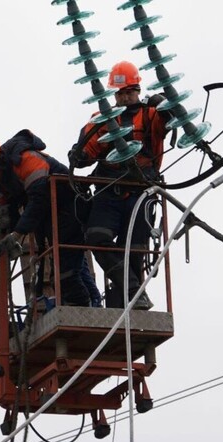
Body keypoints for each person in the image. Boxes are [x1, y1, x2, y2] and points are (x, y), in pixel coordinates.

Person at [70, 60, 171, 310]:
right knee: (96, 237)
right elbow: (85, 153)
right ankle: (132, 290)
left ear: (137, 90)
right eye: (121, 93)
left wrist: (165, 104)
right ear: (114, 95)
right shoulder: (101, 120)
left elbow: (170, 119)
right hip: (109, 191)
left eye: (130, 92)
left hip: (141, 191)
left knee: (136, 249)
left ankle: (131, 295)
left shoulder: (150, 114)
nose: (126, 97)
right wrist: (79, 155)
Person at [0, 129, 90, 307]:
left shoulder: (26, 160)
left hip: (70, 208)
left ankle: (83, 308)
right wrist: (10, 230)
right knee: (61, 269)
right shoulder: (2, 177)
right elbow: (13, 206)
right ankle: (80, 305)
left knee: (67, 270)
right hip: (52, 215)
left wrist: (17, 234)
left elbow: (40, 198)